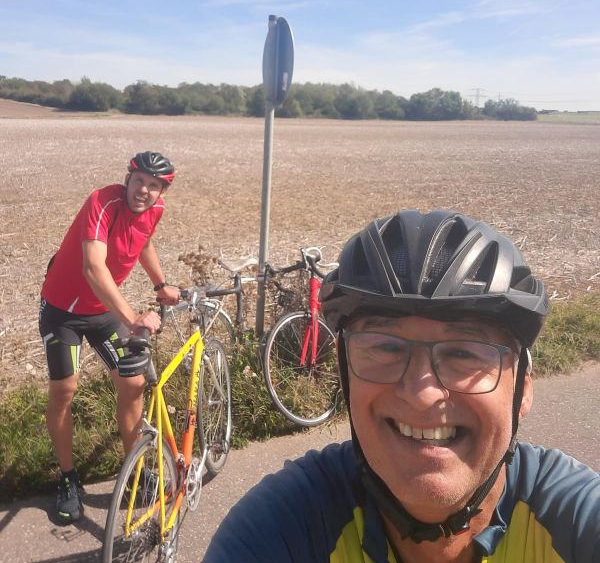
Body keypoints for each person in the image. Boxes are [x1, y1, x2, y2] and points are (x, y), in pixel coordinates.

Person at [205, 210, 600, 562]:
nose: (422, 393)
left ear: (523, 387)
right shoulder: (282, 529)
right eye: (385, 348)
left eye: (464, 353)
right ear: (344, 375)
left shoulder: (576, 522)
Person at [39, 151, 180, 523]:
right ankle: (68, 478)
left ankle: (134, 470)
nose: (144, 190)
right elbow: (93, 267)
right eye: (139, 181)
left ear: (162, 191)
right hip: (64, 311)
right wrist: (132, 318)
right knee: (65, 389)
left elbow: (143, 242)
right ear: (128, 179)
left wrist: (160, 284)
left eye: (153, 185)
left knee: (133, 382)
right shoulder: (103, 202)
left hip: (102, 311)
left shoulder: (154, 210)